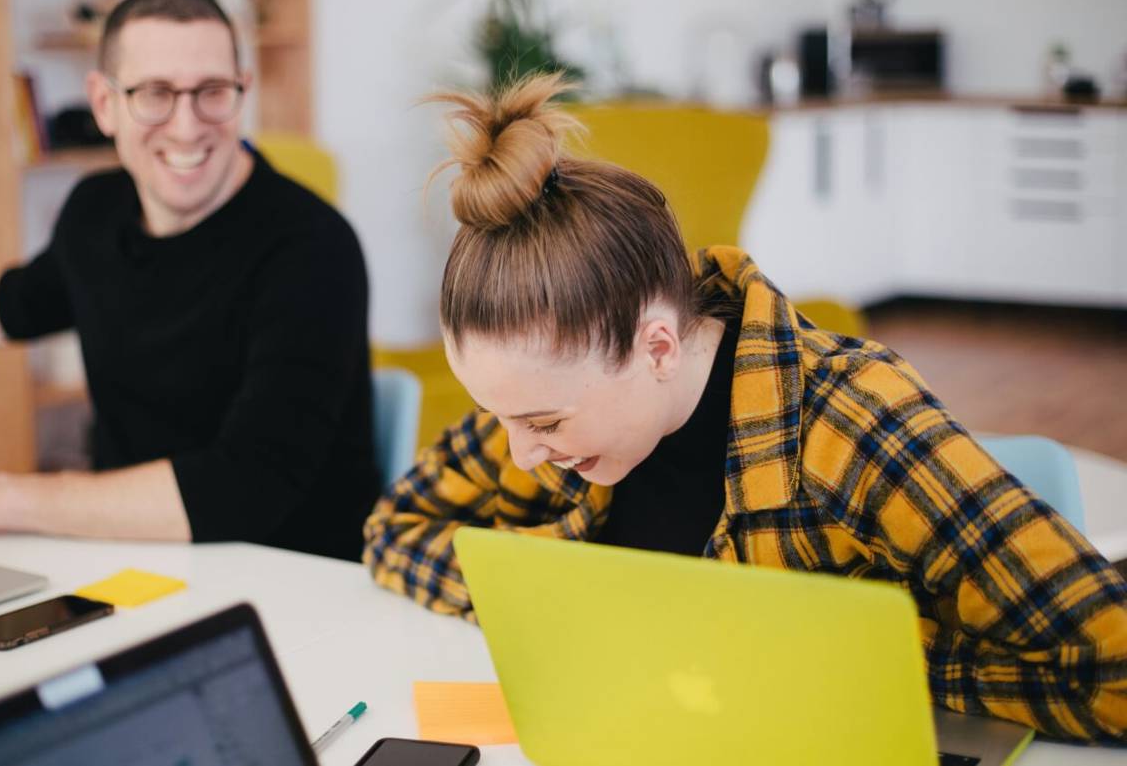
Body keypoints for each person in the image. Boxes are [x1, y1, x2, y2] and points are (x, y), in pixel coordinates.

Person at [362, 74, 1127, 741]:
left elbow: (1112, 666)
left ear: (657, 347)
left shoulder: (853, 422)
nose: (520, 451)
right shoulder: (550, 401)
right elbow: (394, 530)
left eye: (544, 424)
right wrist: (557, 603)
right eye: (499, 416)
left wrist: (870, 656)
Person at [0, 0, 378, 560]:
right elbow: (19, 300)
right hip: (129, 561)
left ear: (243, 90)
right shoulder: (96, 212)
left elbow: (247, 485)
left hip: (295, 583)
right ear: (104, 104)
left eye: (211, 92)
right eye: (155, 94)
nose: (186, 128)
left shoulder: (313, 247)